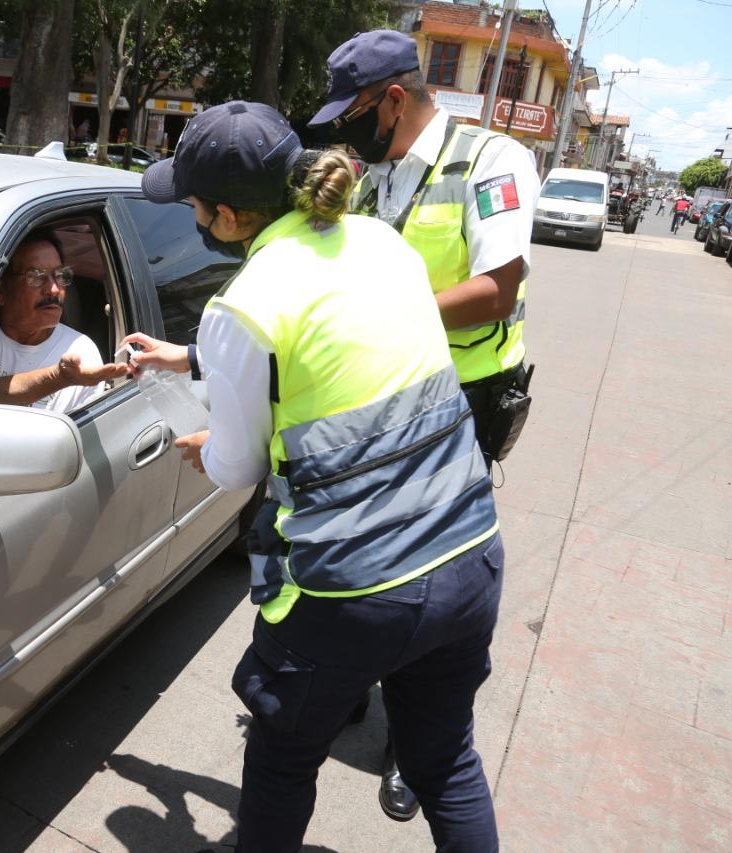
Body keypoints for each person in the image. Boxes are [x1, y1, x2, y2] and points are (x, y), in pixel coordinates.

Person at [127, 100, 504, 853]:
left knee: (283, 759)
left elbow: (238, 464)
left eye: (194, 206)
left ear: (226, 216)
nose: (193, 218)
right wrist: (194, 357)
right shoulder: (381, 242)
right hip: (468, 553)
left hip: (355, 590)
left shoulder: (242, 305)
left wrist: (208, 444)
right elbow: (338, 338)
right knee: (445, 761)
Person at [307, 28, 535, 823]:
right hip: (381, 394)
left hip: (461, 403)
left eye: (354, 114)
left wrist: (383, 314)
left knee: (431, 572)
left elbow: (498, 287)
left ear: (394, 99)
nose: (348, 132)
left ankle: (416, 741)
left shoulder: (492, 160)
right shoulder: (376, 174)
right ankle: (351, 684)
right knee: (365, 548)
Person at [0, 231, 128, 414]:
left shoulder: (81, 352)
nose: (54, 289)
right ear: (0, 290)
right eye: (36, 276)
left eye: (60, 275)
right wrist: (57, 377)